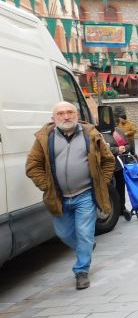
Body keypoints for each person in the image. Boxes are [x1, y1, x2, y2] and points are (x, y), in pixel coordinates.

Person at [25, 101, 115, 290]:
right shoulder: (44, 138)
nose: (66, 116)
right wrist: (46, 186)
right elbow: (33, 167)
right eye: (60, 113)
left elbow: (108, 160)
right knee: (64, 233)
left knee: (84, 233)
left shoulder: (91, 135)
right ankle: (87, 247)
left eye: (69, 112)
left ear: (76, 114)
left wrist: (102, 182)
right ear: (53, 118)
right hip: (59, 197)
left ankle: (81, 270)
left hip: (85, 195)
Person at [104, 127, 132, 221]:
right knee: (110, 189)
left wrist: (124, 149)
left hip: (119, 165)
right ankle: (111, 209)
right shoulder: (98, 133)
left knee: (120, 187)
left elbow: (128, 144)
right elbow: (101, 149)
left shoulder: (118, 131)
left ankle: (122, 208)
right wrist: (117, 150)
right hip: (106, 168)